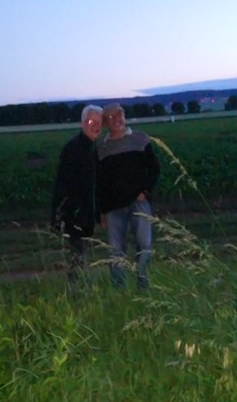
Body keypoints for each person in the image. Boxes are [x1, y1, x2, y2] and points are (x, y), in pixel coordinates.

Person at [97, 103, 160, 289]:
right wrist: (100, 211)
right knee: (116, 250)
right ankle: (119, 288)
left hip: (139, 203)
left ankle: (143, 283)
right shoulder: (102, 148)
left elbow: (154, 168)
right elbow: (99, 182)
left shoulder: (140, 138)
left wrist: (145, 192)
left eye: (119, 115)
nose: (116, 119)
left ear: (124, 116)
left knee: (144, 245)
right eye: (111, 117)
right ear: (106, 123)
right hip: (112, 208)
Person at [50, 104, 103, 288]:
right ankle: (79, 298)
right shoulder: (74, 149)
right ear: (82, 123)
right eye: (91, 121)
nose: (95, 125)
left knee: (79, 257)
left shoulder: (90, 147)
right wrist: (66, 215)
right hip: (74, 216)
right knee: (77, 259)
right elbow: (64, 185)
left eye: (99, 122)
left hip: (83, 215)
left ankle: (80, 296)